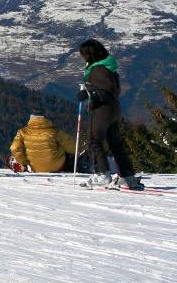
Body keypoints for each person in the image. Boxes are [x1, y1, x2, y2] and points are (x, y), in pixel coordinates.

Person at [76, 39, 144, 190]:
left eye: (84, 54)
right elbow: (111, 89)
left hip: (102, 109)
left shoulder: (98, 69)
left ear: (90, 54)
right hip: (113, 109)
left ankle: (102, 175)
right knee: (115, 143)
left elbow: (104, 90)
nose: (82, 57)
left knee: (95, 140)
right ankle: (128, 177)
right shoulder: (108, 67)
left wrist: (89, 95)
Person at [9, 115, 79, 173]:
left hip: (33, 168)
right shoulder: (55, 131)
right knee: (64, 148)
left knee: (15, 155)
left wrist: (24, 163)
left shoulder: (22, 132)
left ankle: (22, 166)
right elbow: (73, 149)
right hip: (56, 167)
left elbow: (14, 148)